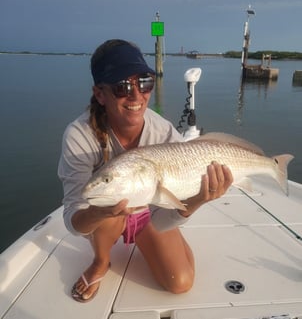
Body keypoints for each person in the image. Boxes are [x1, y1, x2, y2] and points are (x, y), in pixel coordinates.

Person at [58, 39, 233, 303]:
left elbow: (162, 218)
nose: (136, 95)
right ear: (100, 94)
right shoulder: (79, 137)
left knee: (180, 282)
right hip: (104, 218)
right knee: (107, 206)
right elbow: (74, 220)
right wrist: (98, 211)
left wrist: (194, 202)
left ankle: (158, 242)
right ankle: (101, 260)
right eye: (122, 87)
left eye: (144, 82)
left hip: (149, 213)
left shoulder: (163, 132)